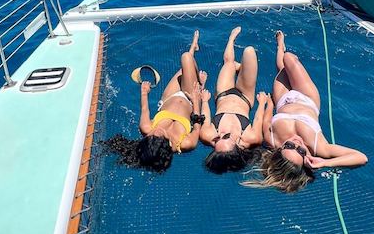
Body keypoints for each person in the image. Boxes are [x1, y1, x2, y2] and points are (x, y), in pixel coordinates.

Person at [245, 31, 367, 193]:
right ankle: (283, 49)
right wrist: (325, 163)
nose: (297, 142)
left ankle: (280, 45)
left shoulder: (272, 140)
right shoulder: (319, 147)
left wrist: (268, 104)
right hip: (306, 96)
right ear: (306, 157)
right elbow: (361, 157)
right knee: (289, 59)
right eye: (301, 151)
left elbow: (267, 121)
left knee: (281, 68)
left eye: (289, 145)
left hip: (282, 100)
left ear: (279, 150)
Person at [103, 30, 206, 172]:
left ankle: (194, 49)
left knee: (184, 66)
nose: (156, 129)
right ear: (166, 144)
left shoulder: (146, 128)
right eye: (159, 133)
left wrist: (144, 92)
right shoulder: (186, 143)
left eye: (150, 135)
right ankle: (200, 80)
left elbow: (145, 109)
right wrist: (196, 100)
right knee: (187, 59)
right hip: (190, 99)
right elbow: (198, 124)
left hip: (169, 97)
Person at [200, 27, 264, 173]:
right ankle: (241, 70)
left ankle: (231, 39)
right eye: (226, 137)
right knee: (249, 51)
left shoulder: (207, 135)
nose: (220, 135)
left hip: (223, 94)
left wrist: (204, 101)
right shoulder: (251, 137)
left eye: (217, 140)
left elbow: (205, 116)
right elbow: (258, 120)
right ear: (237, 146)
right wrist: (262, 103)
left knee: (228, 62)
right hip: (245, 95)